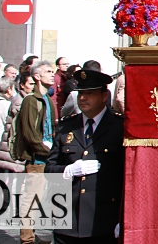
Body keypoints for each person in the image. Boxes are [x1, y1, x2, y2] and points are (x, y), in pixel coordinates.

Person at [45, 69, 124, 244]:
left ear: (104, 97)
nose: (83, 98)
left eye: (90, 93)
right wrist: (68, 170)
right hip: (67, 218)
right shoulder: (67, 126)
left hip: (102, 220)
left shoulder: (119, 128)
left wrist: (124, 218)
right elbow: (49, 169)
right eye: (81, 93)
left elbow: (128, 178)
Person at [13, 60, 57, 244]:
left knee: (41, 199)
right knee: (31, 198)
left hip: (47, 158)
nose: (52, 74)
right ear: (37, 76)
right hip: (37, 159)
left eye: (53, 71)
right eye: (48, 71)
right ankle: (27, 238)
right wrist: (50, 152)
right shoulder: (31, 100)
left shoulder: (48, 99)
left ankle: (33, 233)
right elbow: (30, 134)